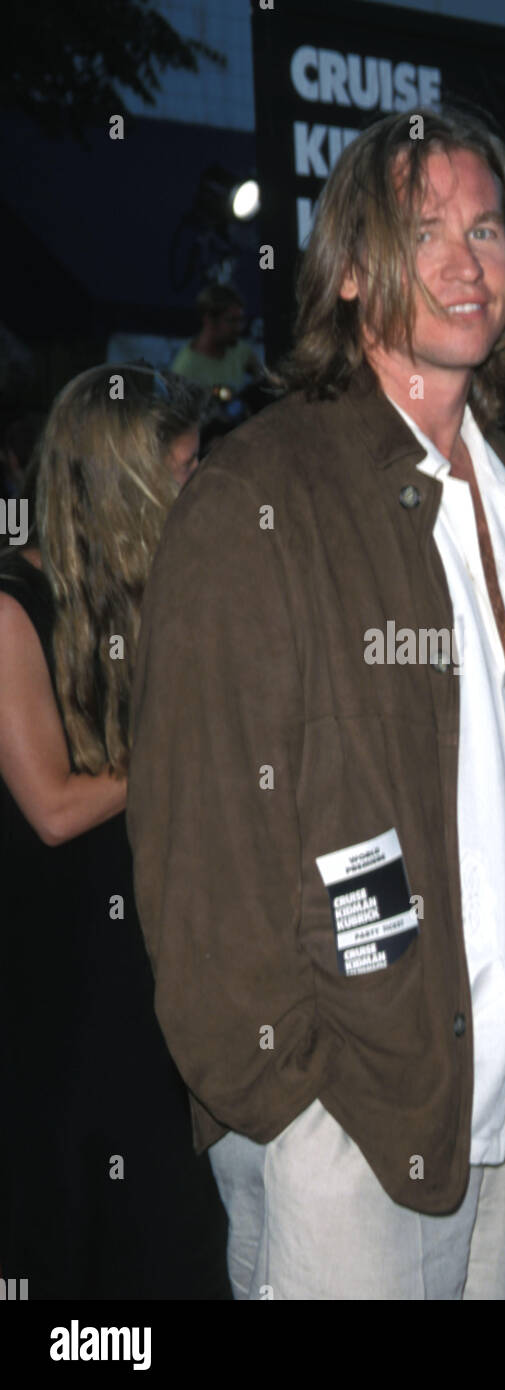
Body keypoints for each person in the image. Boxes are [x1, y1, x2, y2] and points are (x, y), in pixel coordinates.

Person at [127, 106, 505, 1303]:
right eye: (422, 227)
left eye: (485, 227)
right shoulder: (258, 494)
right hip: (343, 1113)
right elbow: (201, 845)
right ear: (347, 266)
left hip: (493, 1094)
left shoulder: (502, 496)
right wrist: (291, 1096)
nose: (463, 258)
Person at [0, 364, 231, 1299]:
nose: (196, 485)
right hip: (49, 986)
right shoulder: (14, 602)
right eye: (180, 468)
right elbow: (52, 807)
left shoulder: (156, 587)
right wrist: (178, 749)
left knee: (171, 1235)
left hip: (149, 960)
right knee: (69, 1237)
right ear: (124, 477)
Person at [171, 283, 262, 393]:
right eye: (232, 320)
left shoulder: (240, 349)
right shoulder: (184, 369)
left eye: (241, 320)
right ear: (209, 320)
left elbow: (261, 373)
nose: (239, 328)